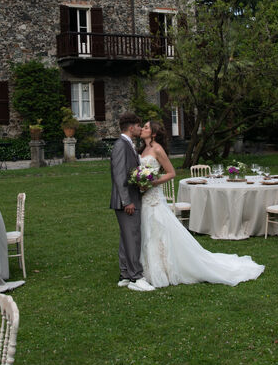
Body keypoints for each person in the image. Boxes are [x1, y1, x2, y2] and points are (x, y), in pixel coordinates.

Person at [138, 120, 264, 288]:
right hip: (144, 197)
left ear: (153, 133)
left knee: (159, 229)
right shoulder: (143, 149)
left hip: (153, 196)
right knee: (148, 230)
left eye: (146, 127)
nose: (142, 129)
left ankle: (166, 267)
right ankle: (147, 266)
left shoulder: (157, 149)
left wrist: (152, 182)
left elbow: (171, 173)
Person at [110, 112, 154, 292]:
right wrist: (127, 201)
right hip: (126, 201)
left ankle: (125, 275)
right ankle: (136, 277)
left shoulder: (128, 144)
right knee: (133, 238)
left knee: (126, 239)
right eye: (138, 126)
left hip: (130, 198)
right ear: (131, 127)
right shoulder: (121, 145)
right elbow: (119, 174)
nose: (140, 128)